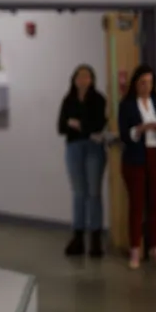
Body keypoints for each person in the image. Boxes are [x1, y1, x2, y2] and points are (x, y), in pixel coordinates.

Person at [118, 64, 156, 269]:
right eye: (142, 82)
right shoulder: (127, 105)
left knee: (155, 204)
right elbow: (125, 135)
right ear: (135, 83)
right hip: (135, 159)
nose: (146, 86)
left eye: (150, 82)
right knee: (137, 205)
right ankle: (135, 249)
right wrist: (140, 129)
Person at [57, 64, 108, 258]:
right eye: (79, 76)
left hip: (94, 148)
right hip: (74, 148)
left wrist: (77, 123)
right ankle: (78, 237)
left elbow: (98, 123)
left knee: (94, 193)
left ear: (92, 79)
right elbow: (60, 126)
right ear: (74, 79)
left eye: (87, 76)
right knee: (79, 192)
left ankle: (95, 239)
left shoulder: (98, 99)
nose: (83, 80)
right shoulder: (68, 100)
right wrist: (78, 125)